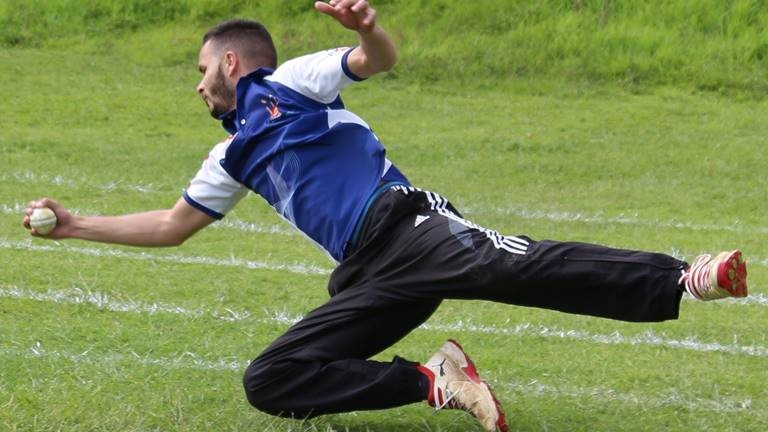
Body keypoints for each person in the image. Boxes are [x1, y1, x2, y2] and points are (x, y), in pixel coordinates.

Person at [22, 1, 748, 431]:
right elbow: (172, 224)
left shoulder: (289, 84)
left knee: (507, 263)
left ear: (232, 65)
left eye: (202, 71)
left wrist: (368, 29)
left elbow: (376, 61)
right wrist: (78, 222)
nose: (198, 86)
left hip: (408, 226)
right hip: (367, 273)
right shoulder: (232, 157)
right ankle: (436, 380)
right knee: (271, 381)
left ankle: (684, 277)